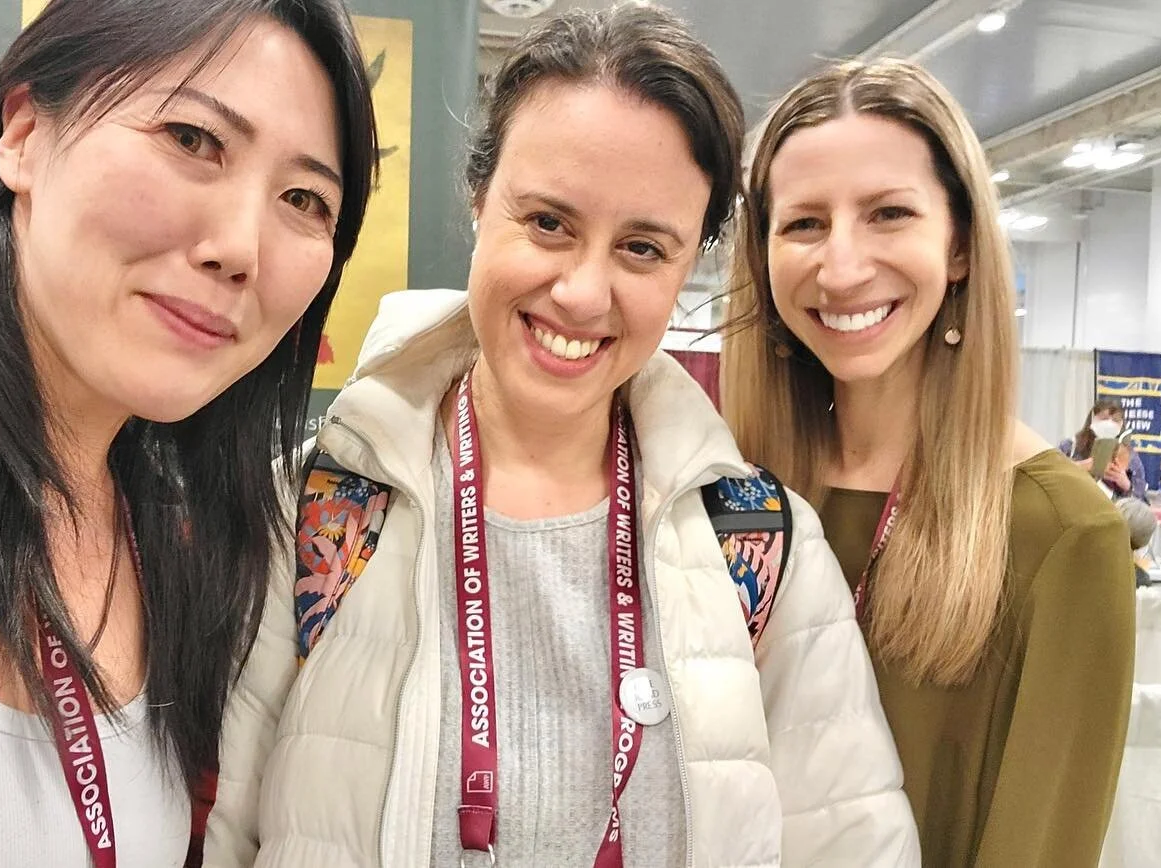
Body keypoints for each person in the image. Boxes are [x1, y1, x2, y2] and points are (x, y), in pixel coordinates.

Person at [208, 6, 919, 867]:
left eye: (644, 248)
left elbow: (852, 846)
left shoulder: (761, 546)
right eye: (547, 222)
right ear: (479, 202)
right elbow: (226, 832)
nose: (583, 294)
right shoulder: (317, 511)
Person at [0, 1, 377, 866]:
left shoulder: (192, 540)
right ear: (26, 134)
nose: (239, 247)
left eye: (303, 199)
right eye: (193, 139)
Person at [720, 58, 1135, 867]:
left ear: (959, 248)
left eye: (888, 214)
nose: (841, 267)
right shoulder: (737, 498)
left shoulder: (1060, 534)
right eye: (804, 224)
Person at [1059, 398, 1148, 500]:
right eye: (1104, 418)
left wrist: (1126, 484)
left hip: (1112, 511)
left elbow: (1141, 499)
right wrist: (1079, 467)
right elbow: (1050, 475)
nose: (1109, 424)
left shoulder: (1130, 456)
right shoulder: (1070, 447)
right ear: (1093, 418)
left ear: (1122, 424)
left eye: (1115, 420)